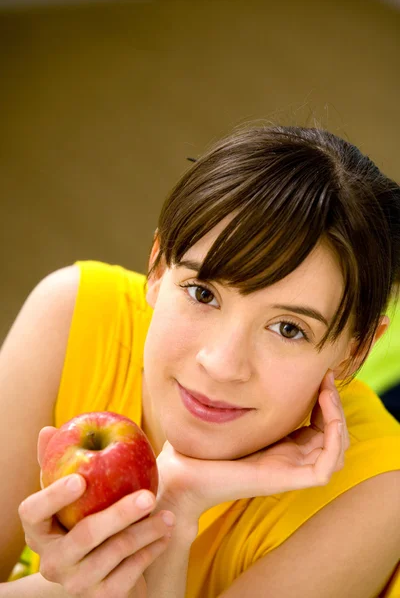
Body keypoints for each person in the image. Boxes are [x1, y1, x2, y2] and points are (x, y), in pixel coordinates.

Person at [1, 125, 400, 598]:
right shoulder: (72, 317)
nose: (221, 363)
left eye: (289, 328)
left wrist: (178, 501)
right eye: (203, 293)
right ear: (157, 269)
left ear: (356, 350)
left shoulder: (376, 491)